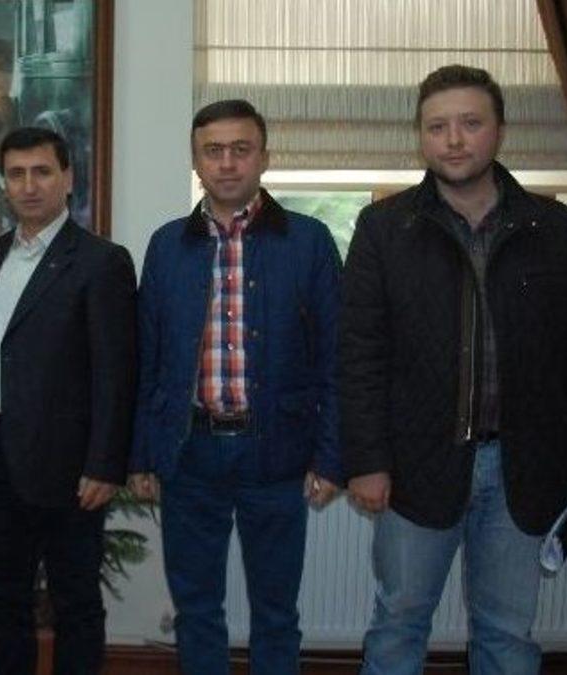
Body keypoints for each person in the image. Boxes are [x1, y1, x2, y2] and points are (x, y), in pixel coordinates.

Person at [340, 64, 567, 675]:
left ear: (499, 131)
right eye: (437, 126)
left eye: (470, 123)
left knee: (508, 633)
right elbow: (359, 353)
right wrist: (366, 460)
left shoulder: (554, 227)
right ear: (421, 136)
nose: (454, 140)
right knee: (398, 622)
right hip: (416, 467)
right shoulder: (385, 228)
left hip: (527, 466)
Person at [128, 99, 341, 675]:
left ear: (264, 158)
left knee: (276, 612)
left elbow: (335, 358)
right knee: (197, 609)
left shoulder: (309, 241)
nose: (227, 163)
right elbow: (147, 357)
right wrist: (142, 453)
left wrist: (330, 456)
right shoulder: (166, 245)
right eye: (213, 151)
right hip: (189, 454)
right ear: (196, 161)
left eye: (240, 150)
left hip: (277, 452)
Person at [0, 127, 137, 675]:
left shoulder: (101, 261)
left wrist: (105, 464)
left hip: (67, 463)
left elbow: (116, 373)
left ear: (68, 178)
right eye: (16, 174)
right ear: (3, 184)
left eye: (42, 172)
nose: (29, 185)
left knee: (76, 599)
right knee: (2, 593)